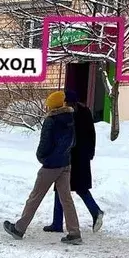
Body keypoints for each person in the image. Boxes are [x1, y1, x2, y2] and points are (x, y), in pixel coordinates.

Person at [3, 91, 82, 245]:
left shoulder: (51, 121)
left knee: (35, 197)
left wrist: (43, 157)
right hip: (65, 163)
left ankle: (19, 228)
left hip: (51, 166)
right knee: (66, 199)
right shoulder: (70, 119)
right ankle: (74, 232)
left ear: (52, 105)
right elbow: (73, 142)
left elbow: (44, 144)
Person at [44, 90, 104, 233]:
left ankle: (58, 223)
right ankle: (94, 211)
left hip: (70, 156)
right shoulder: (85, 112)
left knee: (61, 187)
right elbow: (92, 134)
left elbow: (64, 137)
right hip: (82, 156)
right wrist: (90, 153)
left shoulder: (68, 115)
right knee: (79, 187)